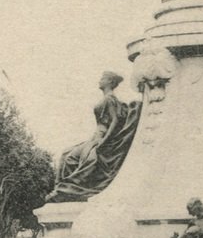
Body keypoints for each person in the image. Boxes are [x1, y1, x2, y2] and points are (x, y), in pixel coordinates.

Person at [46, 71, 141, 202]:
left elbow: (115, 121)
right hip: (94, 137)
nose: (99, 80)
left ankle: (65, 190)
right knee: (66, 154)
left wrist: (104, 142)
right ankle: (59, 188)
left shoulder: (109, 99)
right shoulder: (106, 99)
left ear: (110, 82)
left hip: (100, 137)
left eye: (103, 78)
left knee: (82, 159)